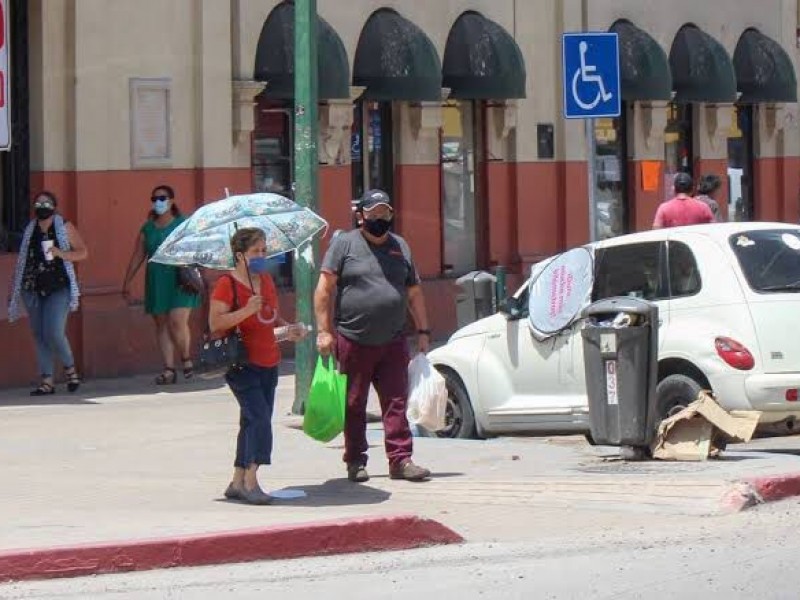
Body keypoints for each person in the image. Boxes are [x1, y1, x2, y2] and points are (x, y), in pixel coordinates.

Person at [314, 189, 432, 483]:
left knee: (396, 402)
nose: (380, 218)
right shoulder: (344, 245)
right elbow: (324, 288)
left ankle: (401, 460)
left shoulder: (400, 246)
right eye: (373, 213)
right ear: (360, 216)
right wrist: (323, 332)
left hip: (393, 340)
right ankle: (355, 460)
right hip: (353, 338)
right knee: (354, 404)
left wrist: (423, 330)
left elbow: (414, 292)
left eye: (385, 212)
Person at [209, 227, 308, 505]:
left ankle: (237, 480)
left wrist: (289, 329)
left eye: (265, 250)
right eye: (256, 252)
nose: (262, 256)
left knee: (250, 420)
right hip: (241, 363)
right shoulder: (226, 285)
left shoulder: (265, 281)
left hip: (269, 360)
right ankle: (252, 481)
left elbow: (270, 318)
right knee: (260, 419)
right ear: (240, 255)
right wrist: (244, 310)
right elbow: (215, 323)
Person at [7, 191, 88, 395]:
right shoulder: (30, 229)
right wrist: (16, 289)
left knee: (53, 331)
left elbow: (83, 252)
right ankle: (47, 381)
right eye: (38, 203)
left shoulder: (63, 226)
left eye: (46, 203)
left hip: (58, 286)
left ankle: (70, 368)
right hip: (32, 287)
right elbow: (24, 259)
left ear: (54, 206)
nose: (42, 206)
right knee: (39, 334)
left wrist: (61, 253)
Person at [122, 185, 201, 384]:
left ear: (172, 200)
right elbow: (138, 255)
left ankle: (186, 358)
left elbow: (196, 248)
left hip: (180, 278)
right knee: (161, 323)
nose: (158, 202)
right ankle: (168, 368)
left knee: (177, 319)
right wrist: (127, 280)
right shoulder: (147, 228)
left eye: (162, 198)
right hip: (157, 278)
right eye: (155, 198)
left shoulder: (183, 224)